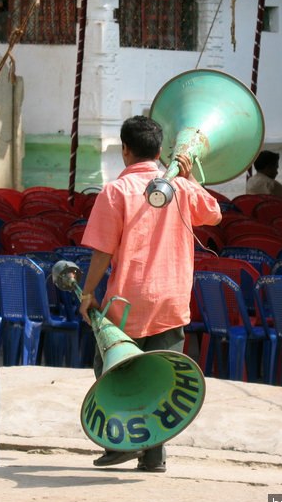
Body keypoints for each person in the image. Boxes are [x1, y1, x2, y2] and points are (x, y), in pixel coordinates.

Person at [78, 116, 222, 473]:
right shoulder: (182, 188)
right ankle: (154, 455)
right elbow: (216, 215)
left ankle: (121, 444)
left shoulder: (115, 192)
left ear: (125, 150)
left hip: (126, 302)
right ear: (160, 151)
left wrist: (87, 292)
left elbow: (102, 251)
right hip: (172, 300)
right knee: (163, 377)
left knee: (112, 372)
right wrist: (187, 178)